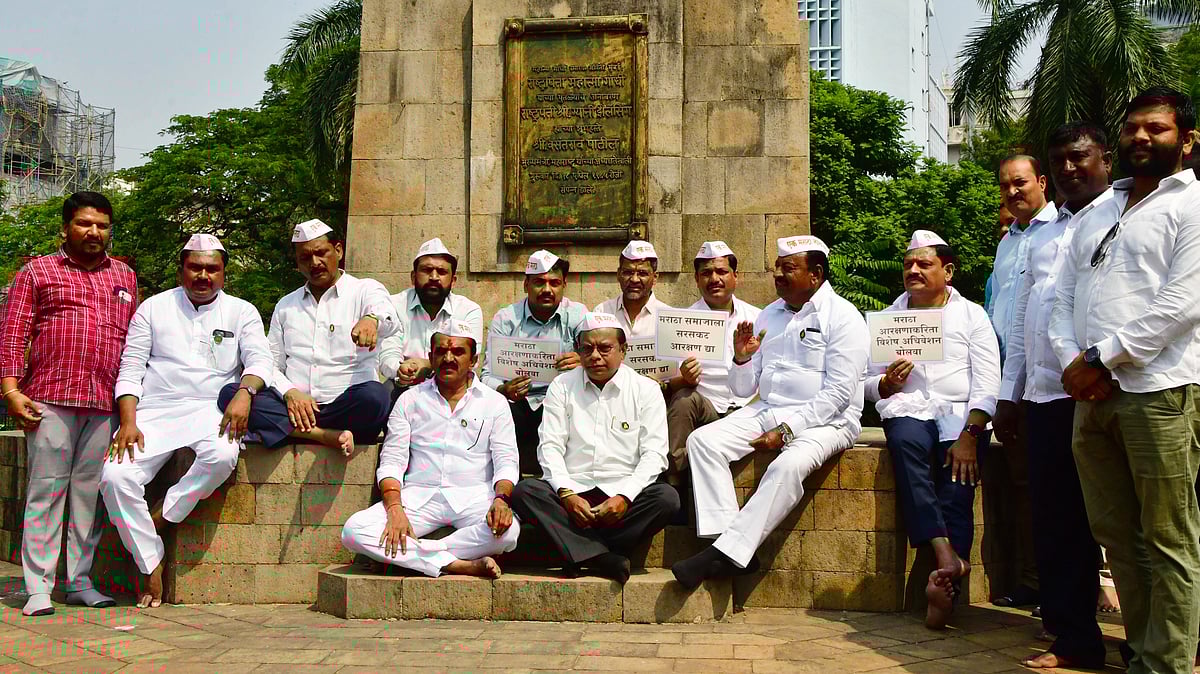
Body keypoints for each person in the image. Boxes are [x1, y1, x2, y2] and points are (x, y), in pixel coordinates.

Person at [1049, 87, 1200, 674]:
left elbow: (1180, 305)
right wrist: (1074, 363)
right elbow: (1061, 296)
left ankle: (1166, 664)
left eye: (1156, 128)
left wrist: (1100, 358)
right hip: (1092, 397)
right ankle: (1141, 651)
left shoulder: (1191, 204)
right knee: (1116, 535)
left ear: (1187, 140)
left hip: (1160, 391)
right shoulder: (1099, 209)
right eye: (1133, 126)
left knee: (1169, 539)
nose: (1141, 136)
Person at [671, 235, 868, 591]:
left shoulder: (843, 317)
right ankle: (729, 546)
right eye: (777, 267)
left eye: (788, 268)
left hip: (829, 421)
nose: (777, 274)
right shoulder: (769, 315)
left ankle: (724, 553)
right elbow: (744, 389)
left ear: (815, 274)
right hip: (768, 408)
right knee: (702, 442)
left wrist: (788, 430)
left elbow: (839, 394)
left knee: (786, 466)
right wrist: (741, 358)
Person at [100, 234, 274, 609]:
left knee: (222, 457)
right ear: (181, 269)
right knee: (114, 476)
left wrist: (245, 393)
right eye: (195, 267)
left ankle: (162, 517)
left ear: (224, 273)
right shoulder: (153, 308)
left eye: (212, 269)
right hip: (155, 409)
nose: (203, 276)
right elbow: (131, 367)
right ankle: (150, 559)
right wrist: (128, 421)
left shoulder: (242, 311)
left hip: (212, 408)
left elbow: (260, 361)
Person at [994, 122, 1112, 669]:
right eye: (1059, 159)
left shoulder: (1121, 216)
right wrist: (1009, 395)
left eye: (1078, 158)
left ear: (1105, 160)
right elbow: (1024, 319)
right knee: (1056, 522)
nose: (1069, 169)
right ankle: (1073, 638)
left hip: (1099, 390)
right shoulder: (1037, 237)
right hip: (1043, 398)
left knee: (1120, 523)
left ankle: (1156, 641)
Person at [0, 192, 137, 616]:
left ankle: (78, 581)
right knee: (46, 491)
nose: (94, 232)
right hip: (49, 399)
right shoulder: (37, 272)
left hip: (103, 402)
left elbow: (134, 344)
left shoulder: (124, 276)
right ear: (66, 228)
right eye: (84, 223)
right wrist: (11, 391)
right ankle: (38, 587)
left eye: (102, 225)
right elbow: (12, 334)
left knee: (88, 496)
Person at [866, 230, 1001, 630]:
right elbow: (863, 384)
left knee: (958, 488)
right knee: (907, 448)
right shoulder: (888, 319)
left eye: (924, 264)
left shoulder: (972, 315)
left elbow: (987, 381)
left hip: (961, 418)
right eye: (909, 264)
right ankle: (945, 553)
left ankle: (947, 585)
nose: (914, 270)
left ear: (948, 271)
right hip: (909, 409)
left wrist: (971, 435)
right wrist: (885, 384)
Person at [341, 321, 520, 578]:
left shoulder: (495, 403)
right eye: (441, 352)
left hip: (474, 497)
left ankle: (414, 555)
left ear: (473, 360)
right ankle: (456, 564)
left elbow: (506, 461)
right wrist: (395, 509)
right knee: (353, 530)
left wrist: (501, 500)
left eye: (458, 352)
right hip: (419, 496)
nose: (448, 358)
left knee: (509, 532)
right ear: (431, 356)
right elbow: (392, 461)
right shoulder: (410, 399)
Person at [510, 313, 680, 584]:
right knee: (525, 492)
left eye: (605, 348)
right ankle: (602, 558)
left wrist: (624, 497)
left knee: (666, 499)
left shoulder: (646, 390)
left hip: (622, 495)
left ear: (623, 350)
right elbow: (550, 446)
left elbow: (655, 455)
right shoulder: (562, 386)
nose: (595, 356)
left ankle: (578, 550)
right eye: (587, 349)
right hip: (573, 492)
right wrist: (566, 494)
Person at [218, 219, 398, 454]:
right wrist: (290, 393)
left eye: (321, 253)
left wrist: (372, 320)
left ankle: (291, 431)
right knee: (231, 394)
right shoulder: (286, 305)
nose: (314, 263)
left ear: (338, 250)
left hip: (346, 406)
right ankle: (324, 436)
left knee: (376, 397)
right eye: (305, 258)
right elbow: (271, 363)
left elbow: (390, 318)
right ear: (297, 262)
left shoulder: (365, 290)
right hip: (294, 408)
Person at [985, 154, 1053, 610]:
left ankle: (1065, 588)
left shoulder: (1062, 230)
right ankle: (1033, 580)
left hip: (1053, 382)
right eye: (1005, 185)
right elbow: (1000, 313)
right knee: (1025, 485)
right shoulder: (1008, 243)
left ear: (1042, 182)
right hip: (1011, 385)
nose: (1013, 192)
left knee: (1060, 490)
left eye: (1021, 182)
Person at [481, 250, 586, 475]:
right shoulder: (506, 319)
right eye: (539, 282)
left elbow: (599, 361)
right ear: (526, 285)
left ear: (564, 285)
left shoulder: (578, 315)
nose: (547, 290)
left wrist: (584, 361)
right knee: (496, 409)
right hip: (518, 402)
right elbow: (486, 376)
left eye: (554, 283)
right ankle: (507, 481)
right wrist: (504, 389)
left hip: (562, 400)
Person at [662, 241, 762, 480]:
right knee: (682, 400)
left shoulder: (759, 318)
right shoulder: (681, 322)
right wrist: (684, 378)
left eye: (722, 271)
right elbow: (666, 382)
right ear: (697, 279)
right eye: (706, 273)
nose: (714, 279)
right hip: (706, 406)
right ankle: (675, 480)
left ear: (736, 276)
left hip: (749, 406)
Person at [378, 238, 482, 394]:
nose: (434, 277)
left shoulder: (468, 310)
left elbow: (470, 359)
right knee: (383, 394)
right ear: (413, 277)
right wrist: (401, 369)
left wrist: (428, 365)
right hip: (406, 384)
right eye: (427, 270)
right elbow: (388, 351)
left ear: (453, 281)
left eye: (442, 272)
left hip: (452, 385)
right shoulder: (395, 305)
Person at [594, 240, 672, 339]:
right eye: (628, 272)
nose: (634, 280)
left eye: (642, 273)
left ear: (655, 277)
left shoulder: (669, 318)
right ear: (618, 275)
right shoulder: (602, 312)